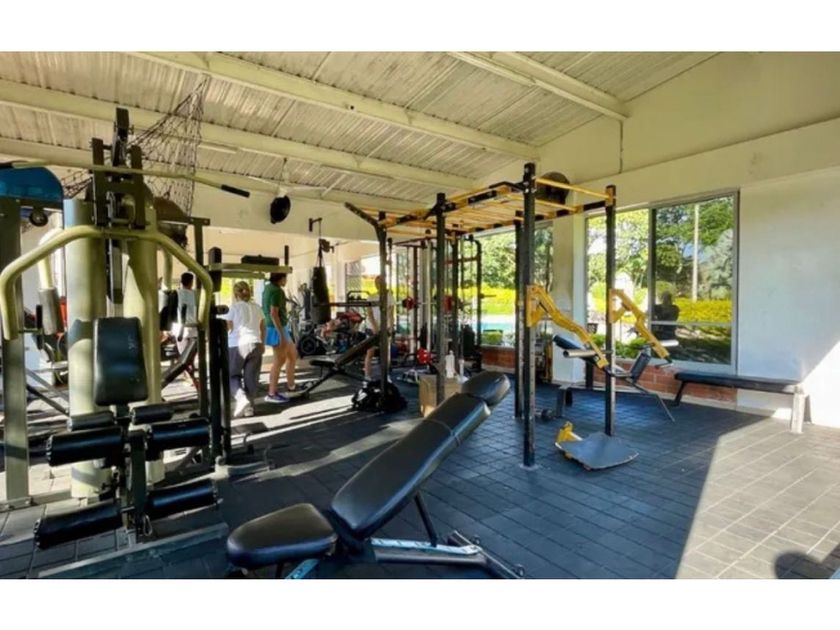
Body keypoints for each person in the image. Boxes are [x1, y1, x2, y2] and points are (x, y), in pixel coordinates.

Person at [223, 281, 265, 418]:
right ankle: (249, 409)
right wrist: (262, 343)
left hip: (237, 344)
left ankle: (241, 398)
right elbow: (262, 327)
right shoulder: (257, 307)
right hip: (256, 343)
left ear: (235, 294)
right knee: (251, 378)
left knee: (232, 375)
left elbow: (228, 327)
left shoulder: (233, 308)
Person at [263, 272, 298, 403]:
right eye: (285, 278)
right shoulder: (277, 291)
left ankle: (291, 386)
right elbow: (274, 313)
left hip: (279, 327)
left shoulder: (268, 288)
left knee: (292, 355)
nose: (286, 281)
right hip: (276, 328)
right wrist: (280, 334)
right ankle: (271, 393)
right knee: (279, 361)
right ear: (281, 279)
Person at [364, 275, 394, 381]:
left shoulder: (390, 296)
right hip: (371, 328)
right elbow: (369, 314)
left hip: (385, 328)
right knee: (370, 353)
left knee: (386, 354)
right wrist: (375, 327)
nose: (378, 285)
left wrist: (391, 327)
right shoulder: (371, 297)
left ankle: (386, 376)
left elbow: (391, 313)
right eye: (376, 283)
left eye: (380, 283)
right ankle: (367, 376)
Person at [173, 272, 198, 357]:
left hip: (180, 330)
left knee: (184, 356)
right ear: (191, 282)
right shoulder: (195, 294)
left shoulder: (176, 293)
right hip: (194, 329)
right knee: (192, 355)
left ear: (181, 281)